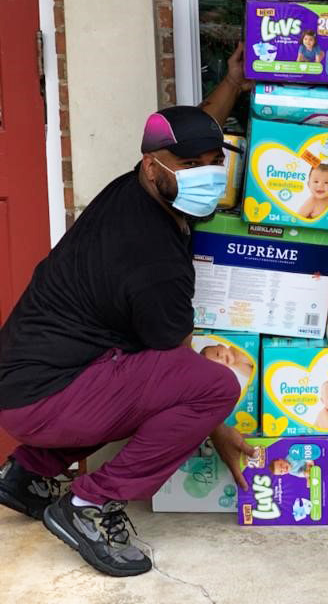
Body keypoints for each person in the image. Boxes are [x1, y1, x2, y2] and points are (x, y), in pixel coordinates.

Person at [0, 46, 254, 576]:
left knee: (128, 369)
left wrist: (231, 82)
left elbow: (200, 128)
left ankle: (25, 476)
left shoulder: (140, 187)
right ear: (154, 164)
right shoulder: (153, 260)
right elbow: (180, 376)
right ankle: (89, 504)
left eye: (214, 164)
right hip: (44, 395)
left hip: (30, 377)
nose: (204, 175)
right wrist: (222, 430)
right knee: (213, 386)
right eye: (190, 166)